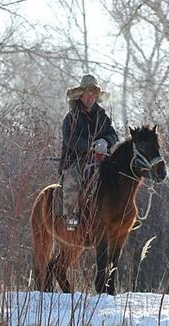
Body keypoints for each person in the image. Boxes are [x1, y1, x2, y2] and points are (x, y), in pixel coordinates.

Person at [59, 74, 119, 231]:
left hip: (101, 160)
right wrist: (91, 146)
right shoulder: (71, 117)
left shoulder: (102, 117)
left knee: (119, 177)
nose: (90, 97)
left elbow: (113, 135)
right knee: (72, 178)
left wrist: (106, 141)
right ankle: (70, 216)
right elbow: (70, 140)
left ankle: (121, 213)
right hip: (76, 160)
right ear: (81, 95)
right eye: (87, 94)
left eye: (93, 94)